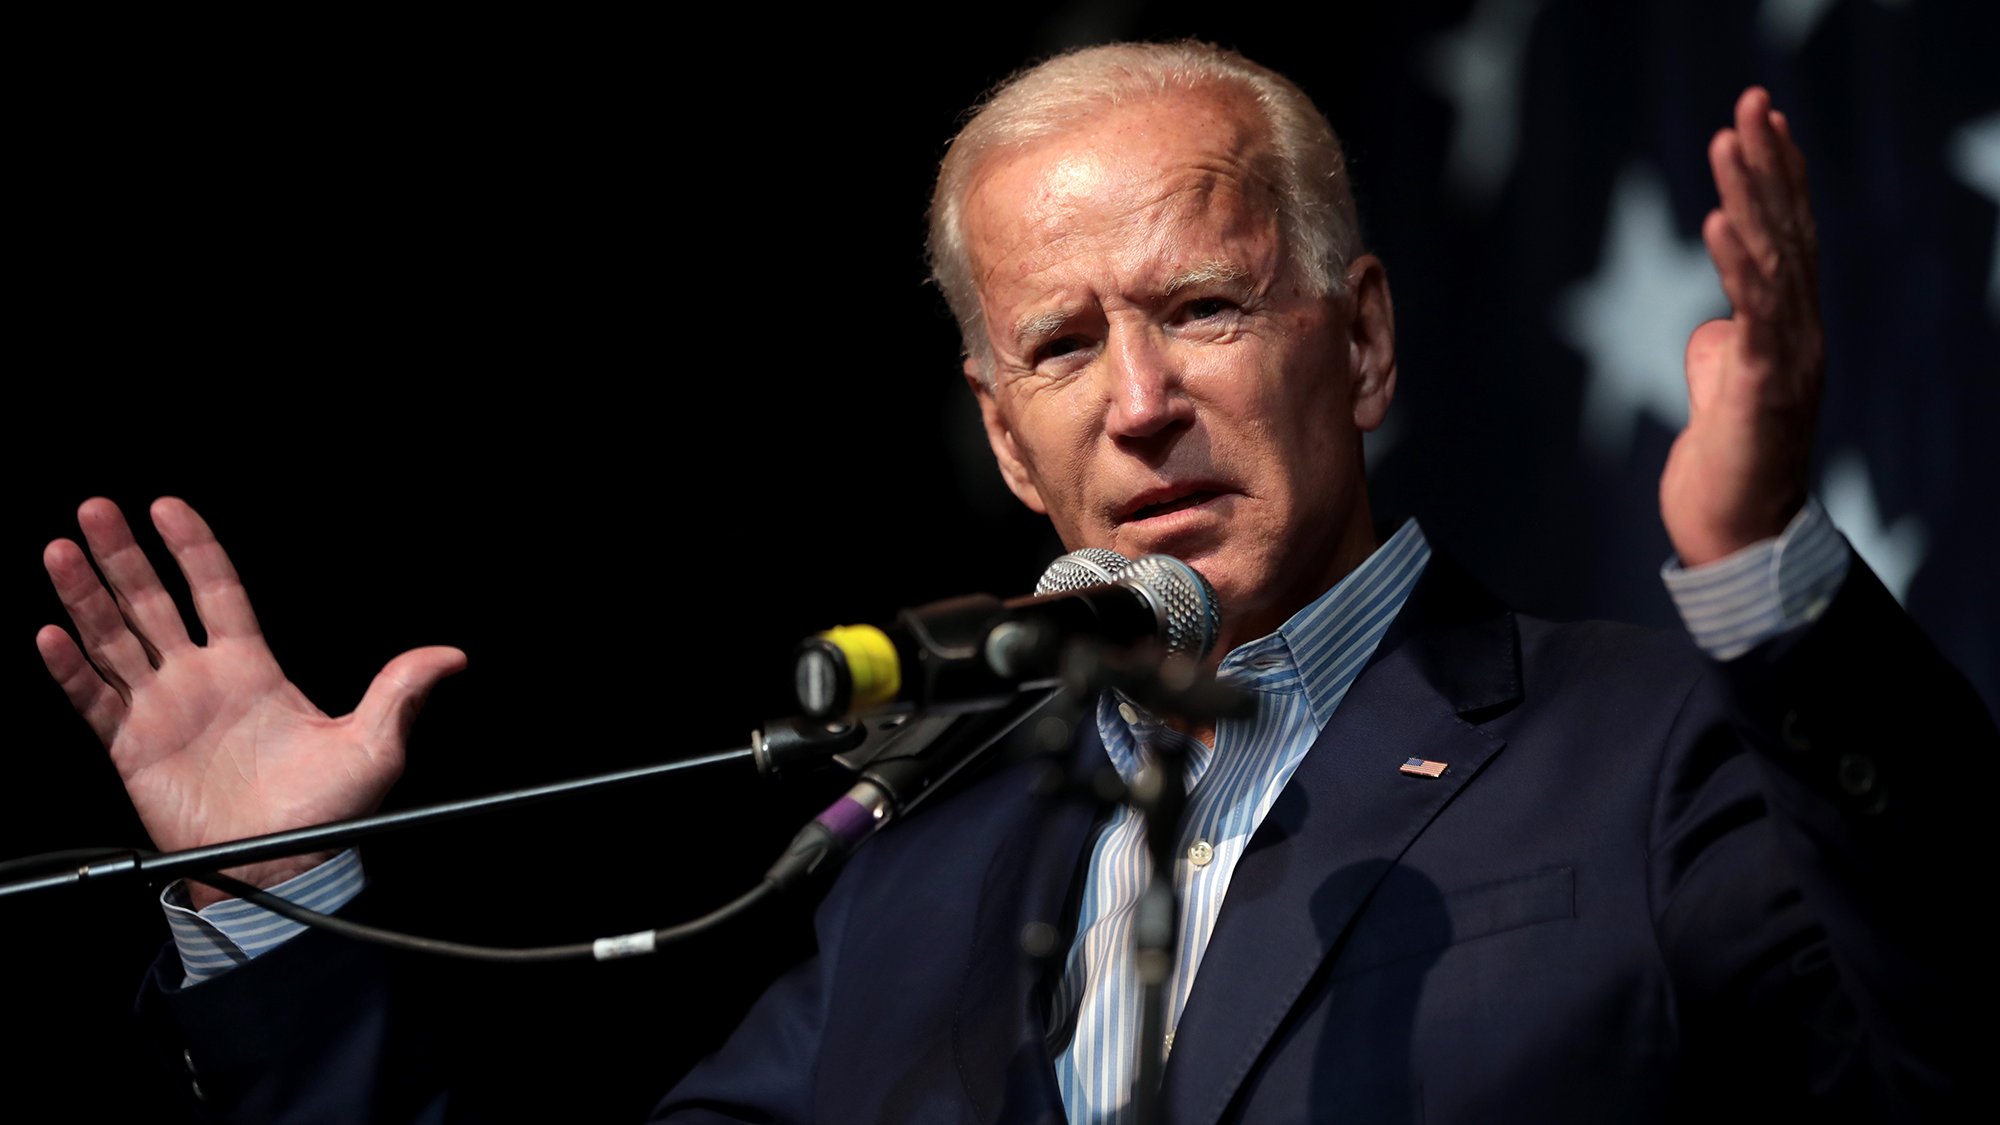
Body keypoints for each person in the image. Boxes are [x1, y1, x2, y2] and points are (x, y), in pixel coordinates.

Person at [36, 40, 1991, 1123]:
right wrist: (272, 904)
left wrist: (1765, 586)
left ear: (1366, 343)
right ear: (1004, 435)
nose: (1139, 402)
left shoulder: (1641, 751)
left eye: (1203, 308)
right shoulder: (923, 862)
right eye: (1063, 346)